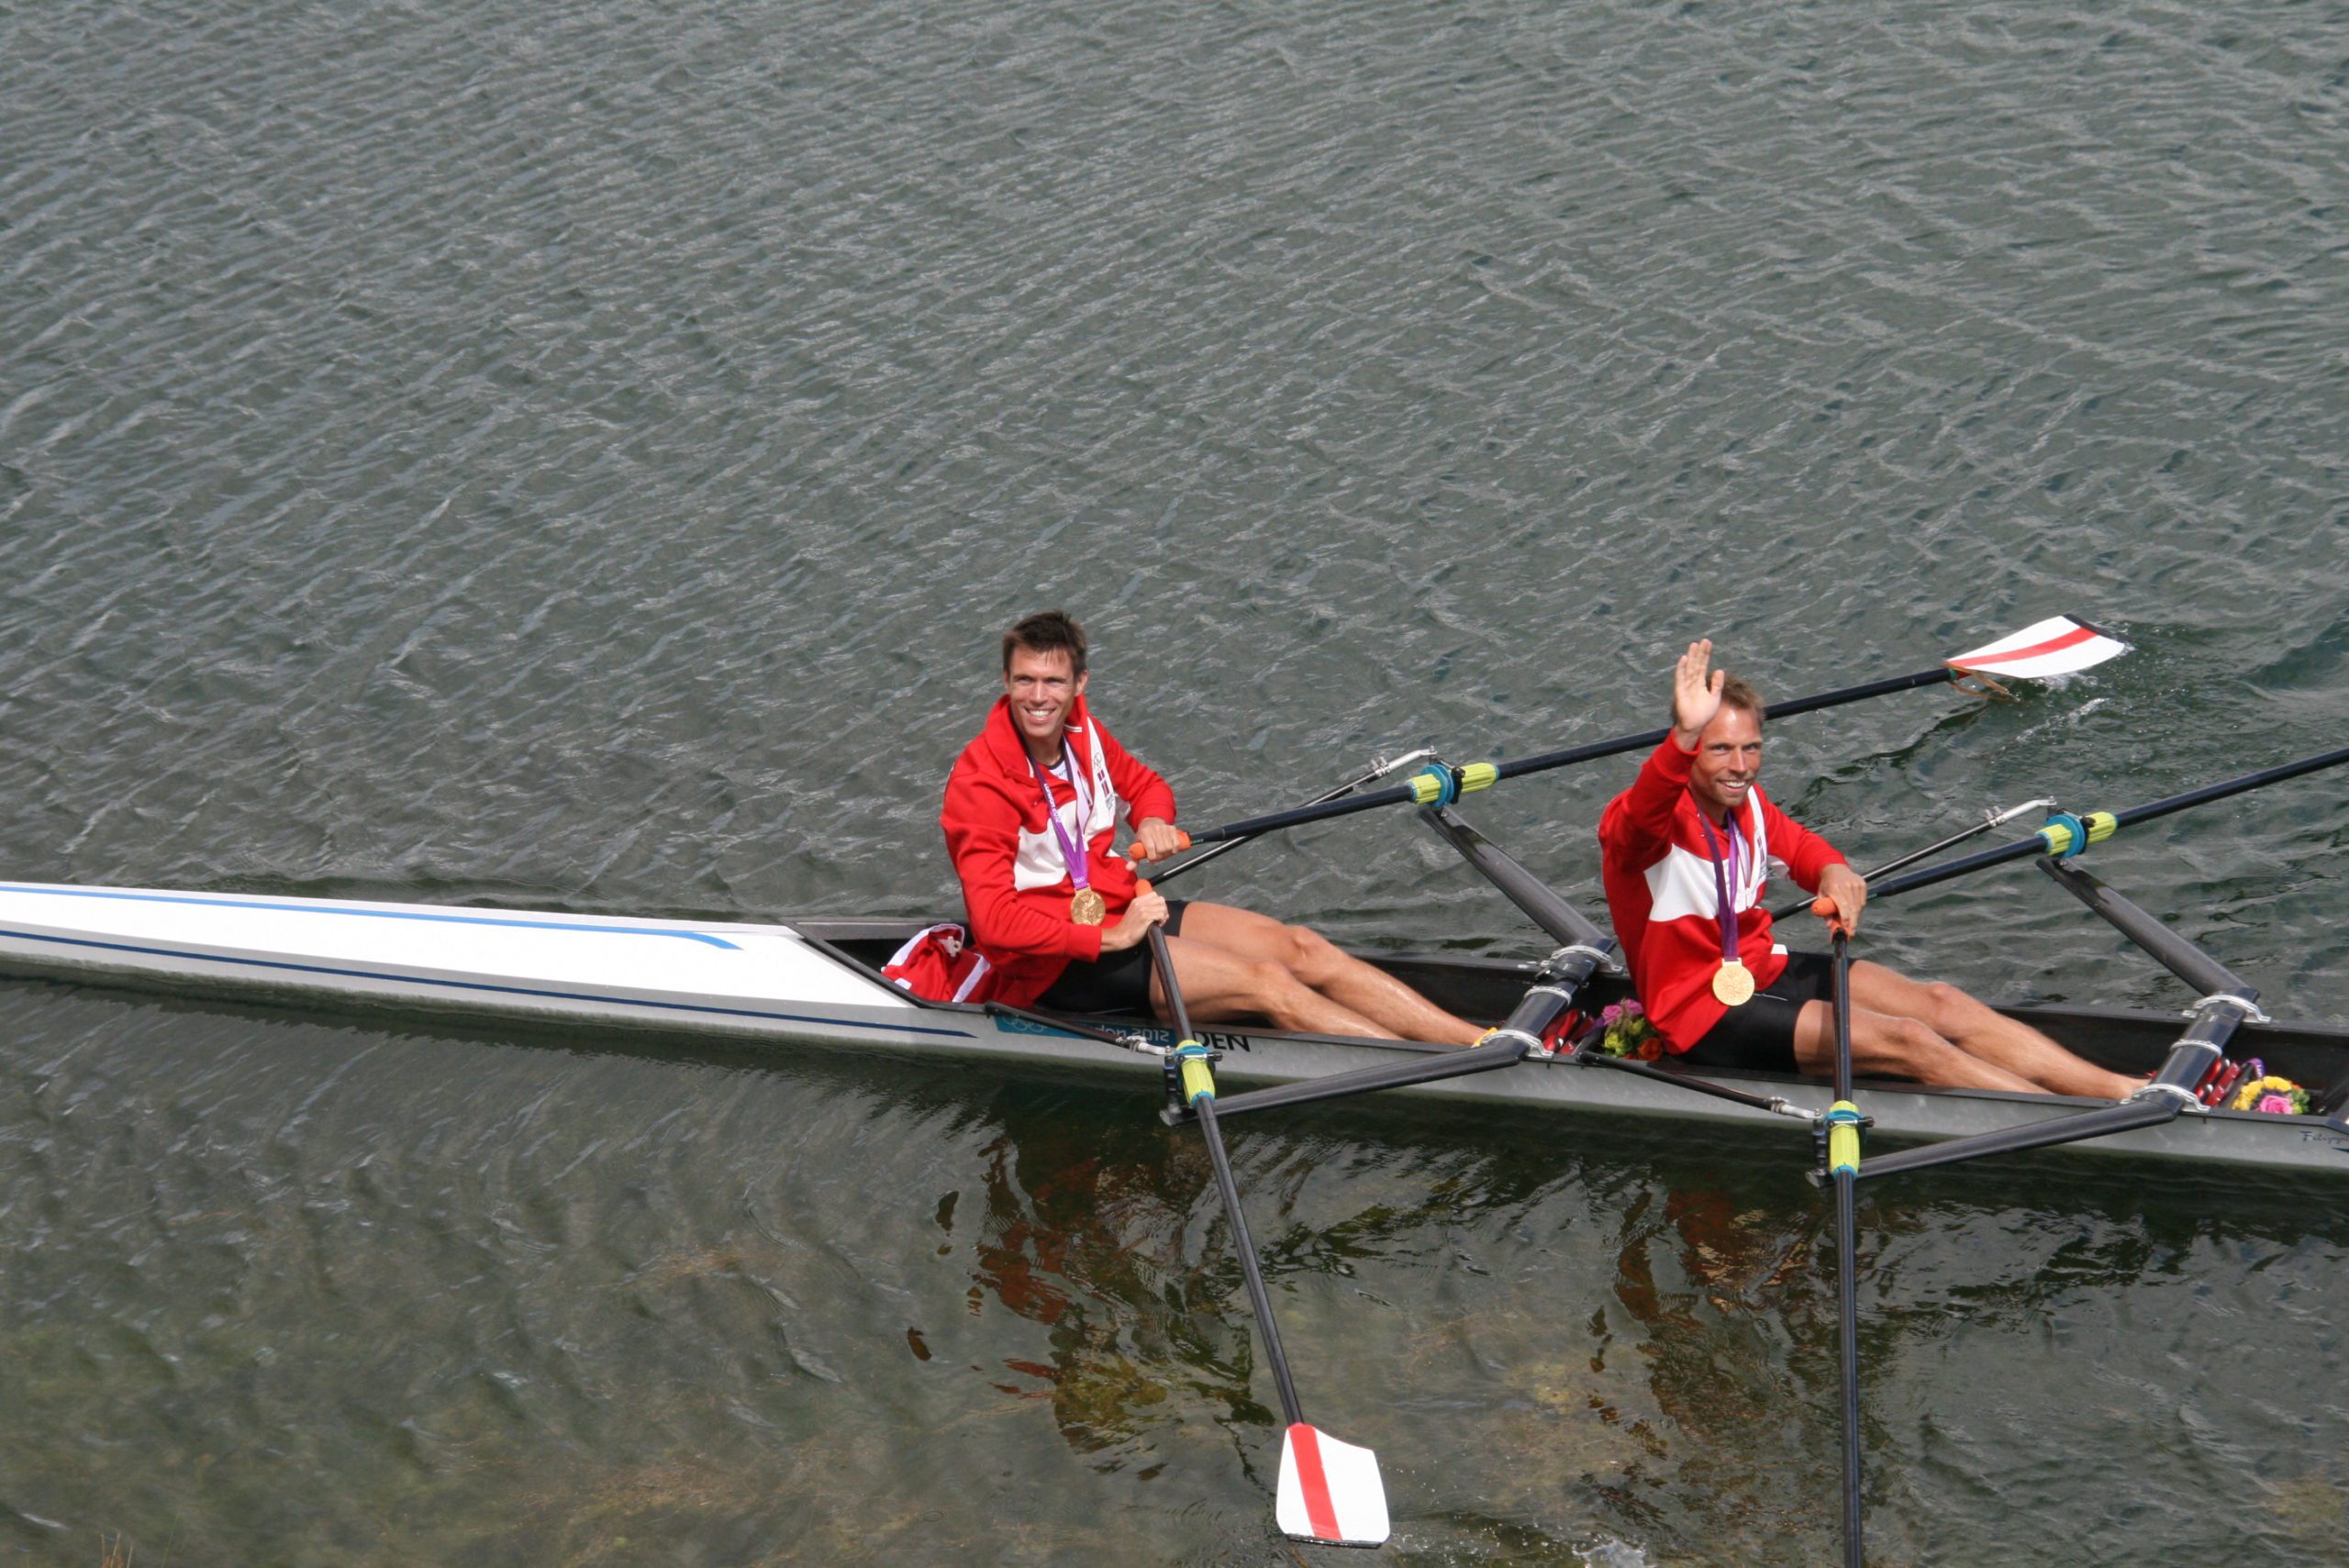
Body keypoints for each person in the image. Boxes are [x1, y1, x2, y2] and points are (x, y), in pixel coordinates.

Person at [1596, 639, 2143, 1098]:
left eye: (1751, 748)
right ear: (1689, 751)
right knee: (1910, 1039)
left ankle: (2125, 1092)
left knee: (1942, 1004)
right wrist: (1682, 737)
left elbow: (1805, 848)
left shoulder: (1748, 804)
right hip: (1700, 1015)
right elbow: (1641, 815)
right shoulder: (1645, 828)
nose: (1740, 766)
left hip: (1760, 970)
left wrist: (1835, 872)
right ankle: (2079, 1123)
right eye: (1719, 749)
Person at [941, 610, 1485, 1043]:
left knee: (1301, 949)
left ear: (1079, 682)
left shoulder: (1085, 733)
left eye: (1053, 682)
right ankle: (1441, 1070)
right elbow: (993, 924)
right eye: (1025, 681)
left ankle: (1482, 1042)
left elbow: (1147, 785)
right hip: (1058, 963)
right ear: (1005, 680)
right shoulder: (981, 783)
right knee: (1269, 984)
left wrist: (1153, 819)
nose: (1039, 698)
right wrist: (1110, 935)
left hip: (1123, 909)